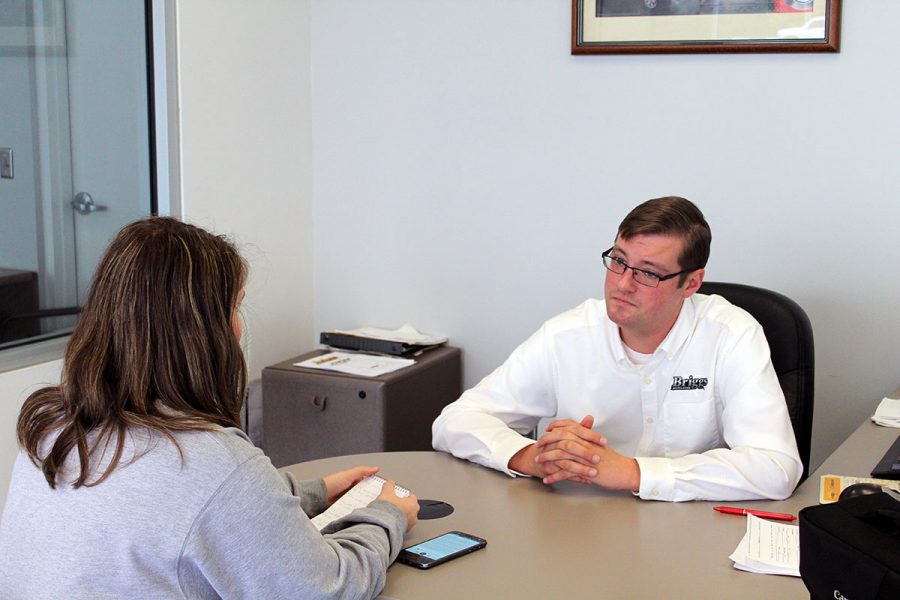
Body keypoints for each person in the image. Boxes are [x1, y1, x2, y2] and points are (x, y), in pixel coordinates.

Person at [0, 217, 418, 599]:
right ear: (201, 331)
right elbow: (327, 590)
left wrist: (310, 492)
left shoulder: (51, 429)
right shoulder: (208, 459)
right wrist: (387, 515)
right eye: (235, 307)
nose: (239, 326)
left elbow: (173, 511)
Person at [432, 196, 802, 502]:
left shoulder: (730, 334)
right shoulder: (568, 334)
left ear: (691, 284)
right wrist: (532, 457)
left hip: (691, 532)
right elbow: (454, 422)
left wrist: (631, 472)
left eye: (648, 272)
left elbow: (776, 468)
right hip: (582, 533)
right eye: (619, 261)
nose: (623, 284)